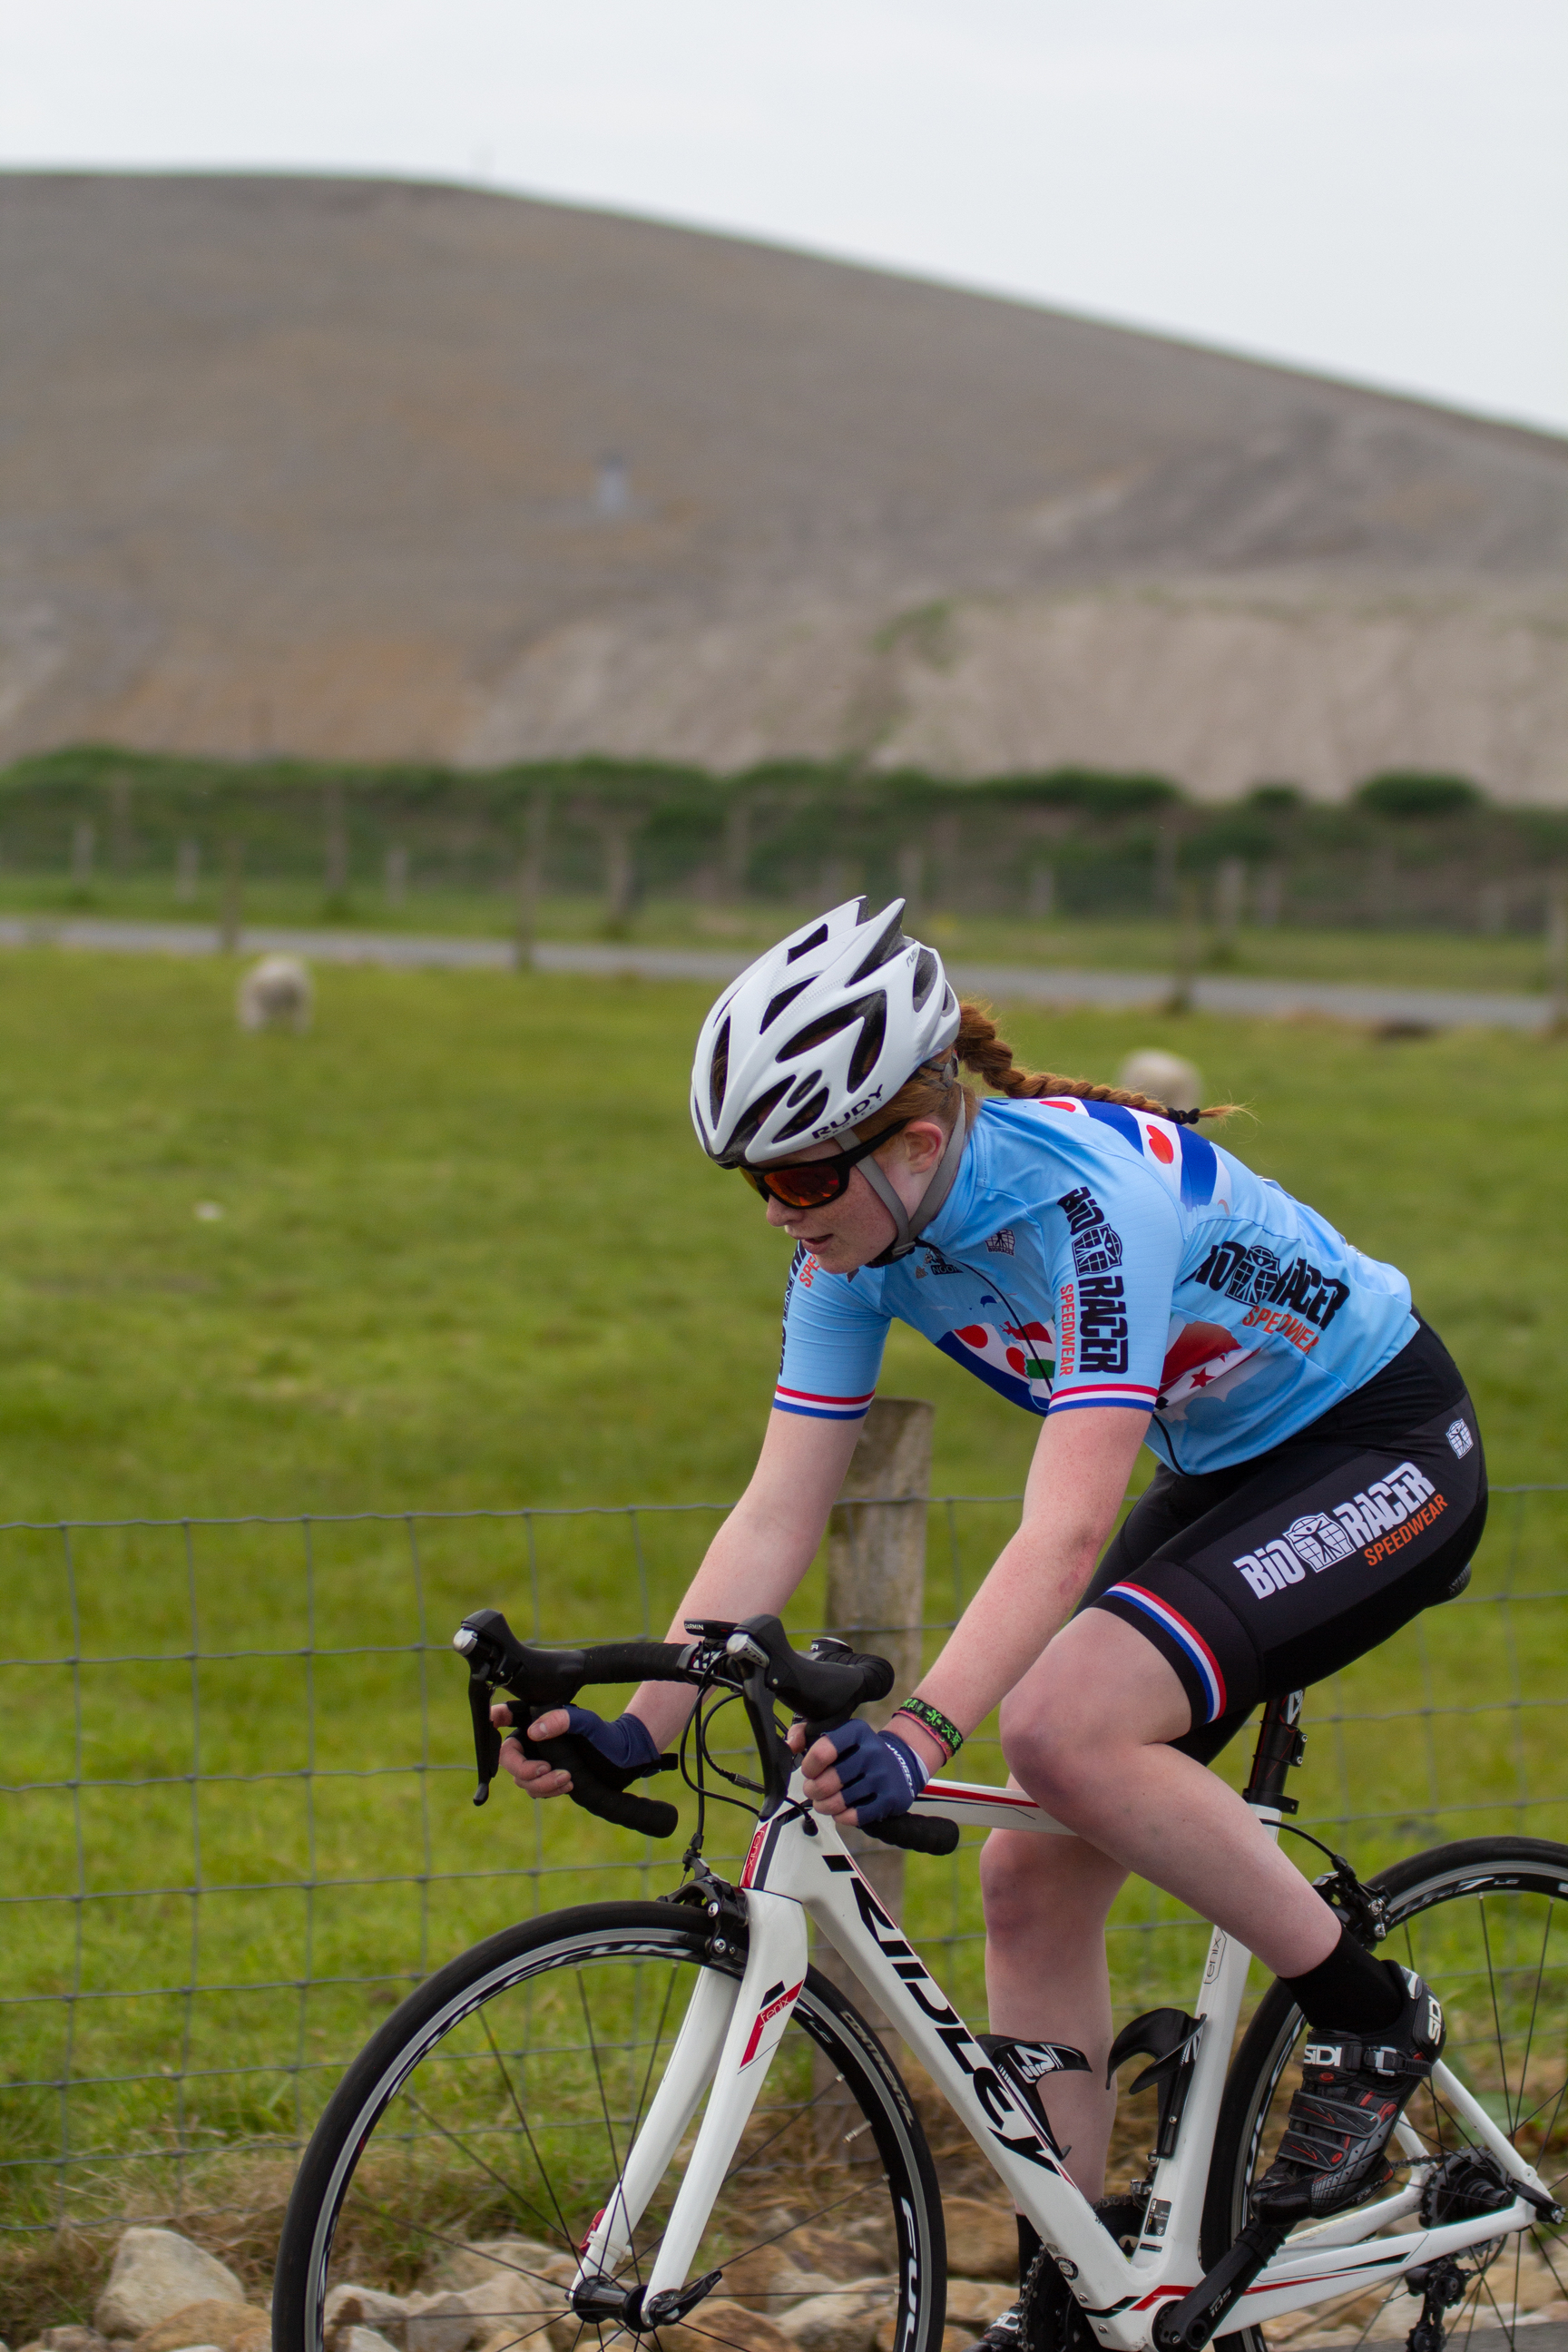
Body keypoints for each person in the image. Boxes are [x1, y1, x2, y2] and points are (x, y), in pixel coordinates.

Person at [498, 899, 1485, 2330]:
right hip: (1227, 1466)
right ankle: (1075, 2293)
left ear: (911, 1142)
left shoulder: (1080, 1206)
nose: (780, 1208)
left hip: (1383, 1449)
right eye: (754, 1182)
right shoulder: (853, 1245)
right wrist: (642, 1730)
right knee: (1025, 1871)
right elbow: (778, 1509)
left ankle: (1370, 2018)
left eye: (800, 1173)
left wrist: (919, 1727)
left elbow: (1066, 1522)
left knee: (1064, 1729)